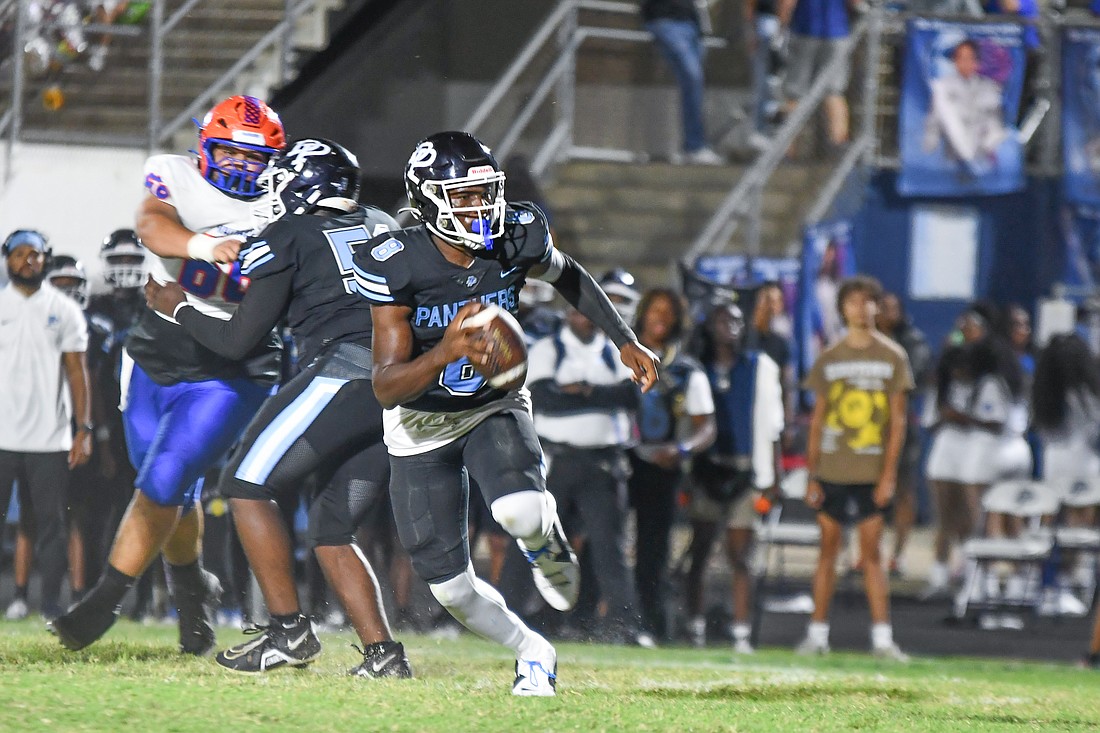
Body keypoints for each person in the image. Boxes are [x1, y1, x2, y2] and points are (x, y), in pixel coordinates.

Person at [353, 131, 659, 696]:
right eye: (462, 196)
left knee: (517, 511)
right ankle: (532, 649)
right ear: (425, 202)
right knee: (451, 589)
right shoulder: (397, 262)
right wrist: (445, 349)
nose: (480, 207)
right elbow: (386, 387)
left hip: (493, 400)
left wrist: (624, 339)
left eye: (485, 192)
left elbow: (567, 274)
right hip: (419, 420)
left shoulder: (515, 233)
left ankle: (543, 536)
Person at [144, 137, 412, 677]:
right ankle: (384, 656)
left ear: (300, 184)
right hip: (401, 390)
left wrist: (178, 308)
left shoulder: (287, 233)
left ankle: (288, 631)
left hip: (346, 372)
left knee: (245, 484)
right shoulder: (383, 222)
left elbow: (238, 339)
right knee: (333, 526)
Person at [50, 95, 286, 654]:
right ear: (205, 147)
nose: (241, 167)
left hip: (234, 362)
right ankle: (192, 594)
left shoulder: (287, 203)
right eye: (230, 153)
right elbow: (151, 227)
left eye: (255, 159)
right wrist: (205, 244)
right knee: (171, 487)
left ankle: (103, 604)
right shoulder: (173, 174)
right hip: (157, 348)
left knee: (163, 480)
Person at [797, 275, 913, 661]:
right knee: (828, 549)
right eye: (853, 302)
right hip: (833, 467)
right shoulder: (830, 357)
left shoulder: (892, 356)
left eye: (868, 301)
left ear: (878, 307)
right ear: (842, 307)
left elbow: (898, 421)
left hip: (870, 469)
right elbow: (818, 419)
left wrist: (888, 474)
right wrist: (811, 473)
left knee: (871, 553)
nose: (861, 309)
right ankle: (817, 635)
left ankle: (882, 639)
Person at [526, 304, 652, 646]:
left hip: (603, 463)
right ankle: (522, 615)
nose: (587, 318)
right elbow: (544, 399)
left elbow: (631, 395)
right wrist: (600, 395)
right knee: (539, 540)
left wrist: (581, 391)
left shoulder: (617, 351)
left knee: (610, 547)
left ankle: (624, 624)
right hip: (556, 460)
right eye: (581, 312)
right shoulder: (548, 348)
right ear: (568, 314)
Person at [0, 230, 92, 621]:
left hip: (49, 439)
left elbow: (77, 373)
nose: (27, 261)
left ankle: (51, 604)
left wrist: (83, 430)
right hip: (2, 438)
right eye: (19, 254)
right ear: (7, 259)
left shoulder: (64, 310)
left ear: (45, 259)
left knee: (52, 526)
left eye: (34, 254)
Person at [684, 298, 783, 654]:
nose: (731, 327)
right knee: (700, 552)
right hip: (708, 468)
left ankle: (741, 633)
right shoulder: (697, 368)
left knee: (741, 555)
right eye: (723, 320)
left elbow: (774, 423)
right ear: (710, 327)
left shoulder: (758, 366)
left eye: (738, 321)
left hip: (745, 470)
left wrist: (775, 475)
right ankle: (694, 627)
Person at [628, 287, 716, 640]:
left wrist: (681, 450)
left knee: (654, 549)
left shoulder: (685, 368)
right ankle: (594, 618)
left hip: (661, 466)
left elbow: (706, 425)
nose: (660, 317)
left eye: (668, 312)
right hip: (618, 459)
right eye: (655, 309)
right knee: (602, 542)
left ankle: (652, 626)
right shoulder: (621, 355)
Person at [875, 292, 932, 576]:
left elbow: (913, 376)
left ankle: (898, 554)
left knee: (904, 490)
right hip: (867, 426)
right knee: (865, 491)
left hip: (901, 427)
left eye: (892, 307)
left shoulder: (912, 340)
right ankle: (866, 553)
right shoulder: (864, 340)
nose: (887, 312)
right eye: (882, 307)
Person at [640, 0, 723, 164]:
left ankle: (694, 146)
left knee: (696, 84)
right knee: (692, 76)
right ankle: (694, 146)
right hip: (664, 20)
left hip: (692, 23)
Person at [922, 39, 1010, 175]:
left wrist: (986, 147)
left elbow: (996, 125)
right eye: (960, 58)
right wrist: (929, 148)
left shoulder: (990, 88)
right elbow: (934, 122)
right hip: (950, 158)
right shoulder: (942, 88)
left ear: (977, 62)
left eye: (969, 58)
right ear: (954, 61)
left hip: (982, 157)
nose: (965, 63)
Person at [778, 0, 853, 150]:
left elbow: (787, 2)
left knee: (794, 93)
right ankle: (837, 144)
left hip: (804, 30)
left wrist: (782, 25)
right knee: (833, 92)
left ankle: (787, 148)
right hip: (837, 31)